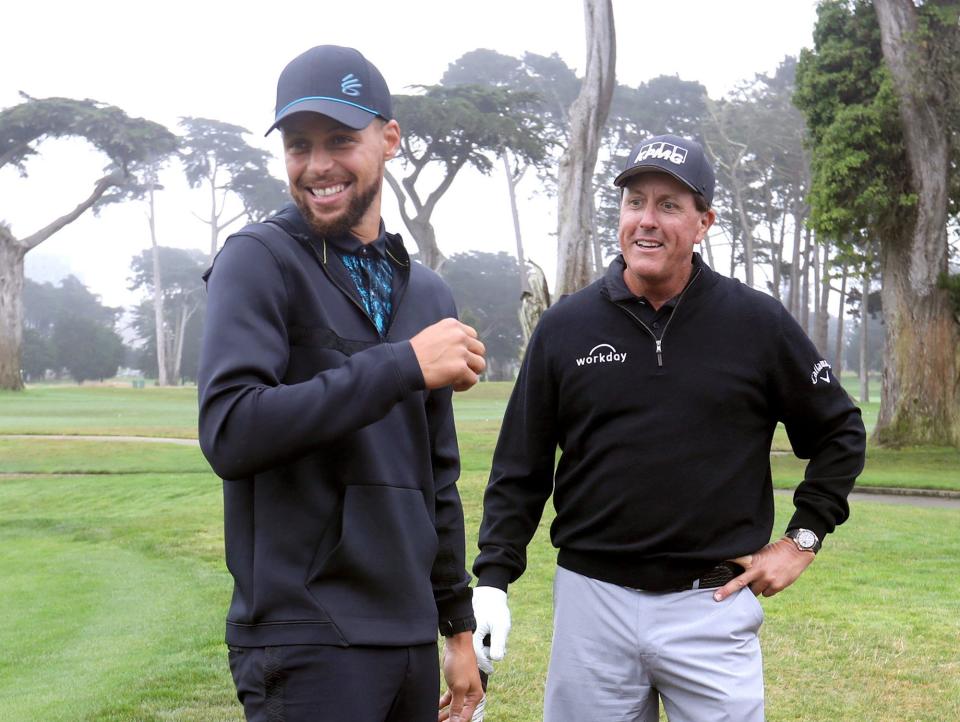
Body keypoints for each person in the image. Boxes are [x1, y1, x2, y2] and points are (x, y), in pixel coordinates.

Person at [471, 134, 866, 721]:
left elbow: (840, 432)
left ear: (703, 222)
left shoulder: (754, 322)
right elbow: (520, 469)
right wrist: (493, 580)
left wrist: (801, 540)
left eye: (668, 205)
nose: (646, 221)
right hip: (592, 605)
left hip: (711, 603)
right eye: (635, 203)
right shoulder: (566, 327)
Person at [197, 45, 485, 722]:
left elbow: (435, 479)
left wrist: (458, 628)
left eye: (340, 141)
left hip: (409, 638)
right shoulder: (258, 262)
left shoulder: (426, 292)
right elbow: (232, 431)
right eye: (299, 145)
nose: (318, 165)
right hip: (306, 638)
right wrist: (401, 365)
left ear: (388, 140)